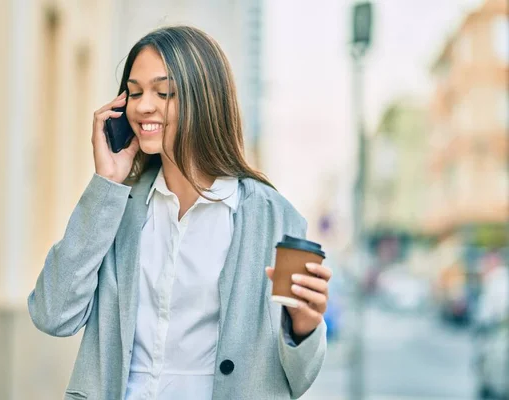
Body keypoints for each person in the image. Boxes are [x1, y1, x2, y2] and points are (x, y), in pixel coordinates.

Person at [28, 25, 330, 400]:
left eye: (164, 92)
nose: (143, 106)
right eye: (134, 92)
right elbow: (52, 314)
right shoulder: (116, 207)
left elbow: (298, 380)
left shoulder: (275, 220)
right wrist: (106, 183)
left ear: (206, 99)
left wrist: (302, 328)